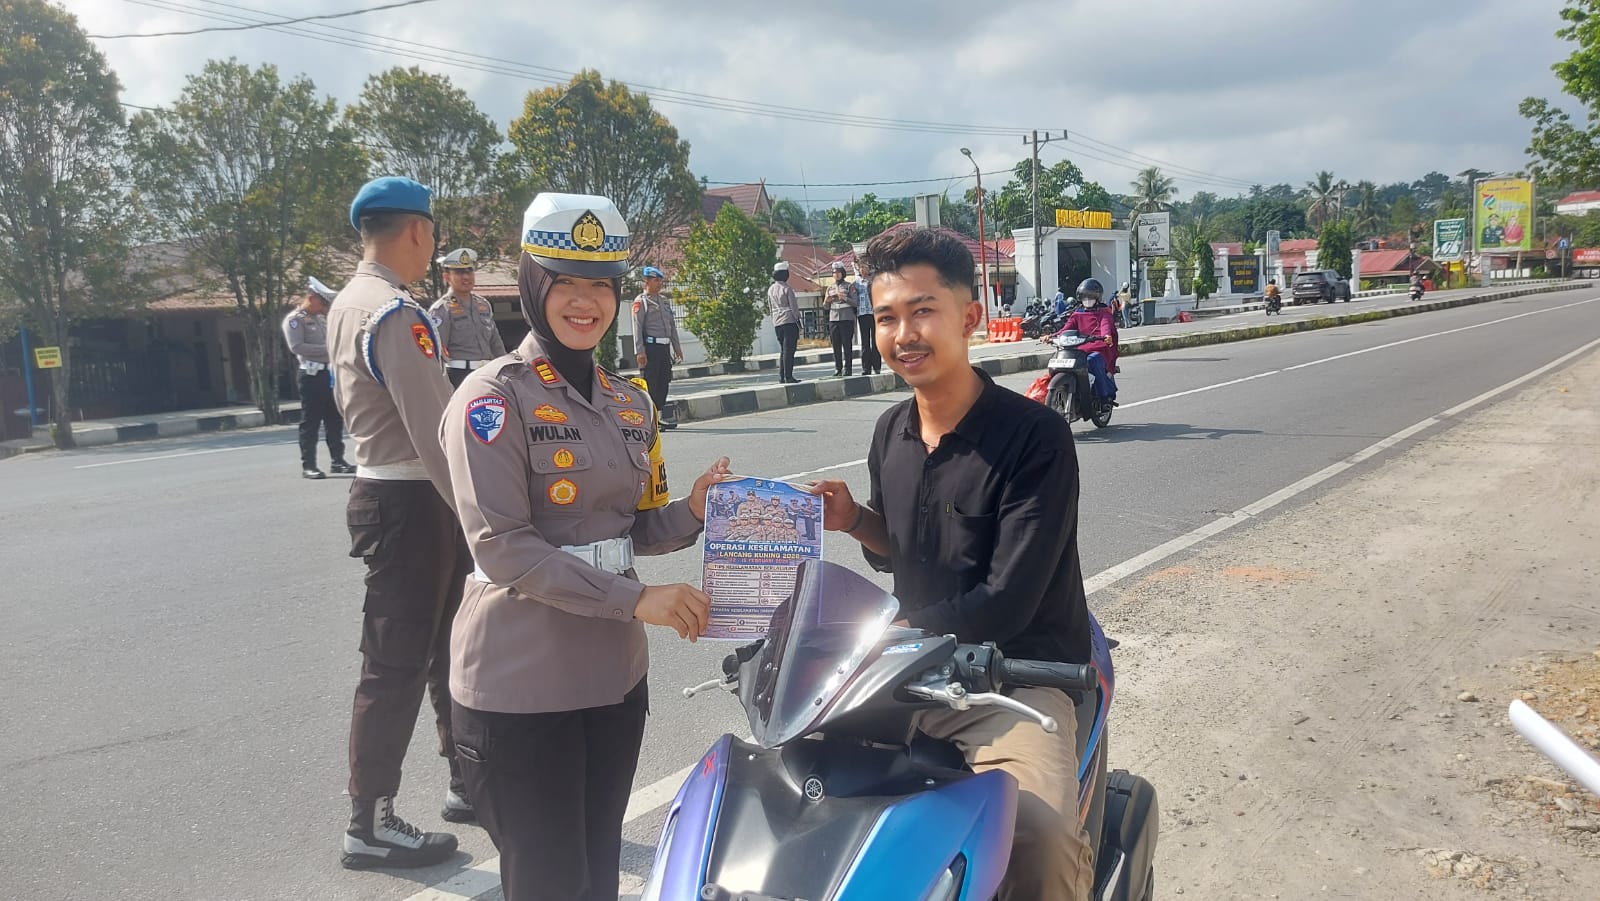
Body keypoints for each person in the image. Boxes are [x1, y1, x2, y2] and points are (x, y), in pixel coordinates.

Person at [442, 192, 730, 901]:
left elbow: (631, 527)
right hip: (522, 687)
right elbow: (504, 547)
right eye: (564, 281)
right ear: (533, 284)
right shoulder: (491, 399)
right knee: (550, 883)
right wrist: (638, 600)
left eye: (600, 284)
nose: (585, 301)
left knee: (599, 874)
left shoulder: (630, 403)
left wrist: (695, 509)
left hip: (612, 681)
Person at [811, 226, 1094, 900]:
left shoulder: (1036, 438)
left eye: (922, 311)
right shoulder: (891, 430)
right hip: (904, 676)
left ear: (970, 317)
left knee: (1040, 834)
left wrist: (889, 637)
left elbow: (1007, 600)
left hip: (1013, 678)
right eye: (886, 317)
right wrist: (854, 520)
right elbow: (902, 548)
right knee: (807, 794)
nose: (903, 333)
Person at [326, 176, 473, 869]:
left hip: (393, 493)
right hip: (413, 499)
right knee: (398, 662)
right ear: (416, 230)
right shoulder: (392, 311)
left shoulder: (347, 302)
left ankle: (466, 779)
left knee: (447, 645)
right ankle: (370, 820)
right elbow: (434, 429)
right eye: (432, 234)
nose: (432, 247)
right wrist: (478, 511)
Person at [282, 276, 353, 480]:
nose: (324, 308)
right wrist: (329, 350)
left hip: (329, 373)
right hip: (311, 375)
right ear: (311, 298)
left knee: (334, 418)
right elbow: (297, 347)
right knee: (311, 421)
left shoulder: (321, 319)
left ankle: (337, 460)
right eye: (322, 303)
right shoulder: (295, 320)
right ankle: (309, 465)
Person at [429, 247, 507, 389]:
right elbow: (437, 352)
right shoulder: (441, 309)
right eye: (459, 272)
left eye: (469, 271)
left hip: (486, 374)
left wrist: (505, 369)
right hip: (458, 377)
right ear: (446, 277)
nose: (466, 277)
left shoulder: (483, 305)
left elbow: (496, 344)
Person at [631, 265, 683, 429]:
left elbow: (672, 326)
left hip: (664, 348)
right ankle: (650, 421)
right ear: (646, 282)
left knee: (663, 381)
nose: (659, 283)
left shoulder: (664, 301)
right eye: (656, 280)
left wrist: (677, 348)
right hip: (650, 348)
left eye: (660, 280)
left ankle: (658, 417)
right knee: (650, 383)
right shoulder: (642, 302)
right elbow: (637, 327)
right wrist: (640, 351)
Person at [1054, 278, 1119, 400]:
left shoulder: (1104, 313)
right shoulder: (1077, 314)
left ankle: (1104, 396)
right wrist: (1052, 336)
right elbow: (1065, 329)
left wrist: (1106, 336)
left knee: (1092, 361)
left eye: (1090, 297)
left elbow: (1106, 326)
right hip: (1079, 349)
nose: (1087, 300)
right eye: (1084, 297)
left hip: (1099, 348)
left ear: (1097, 298)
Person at [768, 261, 802, 384]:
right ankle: (789, 376)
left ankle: (782, 376)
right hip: (789, 321)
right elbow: (794, 308)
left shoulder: (770, 289)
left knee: (783, 350)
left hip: (777, 322)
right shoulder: (787, 289)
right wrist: (798, 321)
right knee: (789, 350)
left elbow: (770, 308)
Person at [826, 262, 857, 376]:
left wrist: (844, 297)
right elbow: (825, 306)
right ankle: (838, 368)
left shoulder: (849, 286)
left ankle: (848, 368)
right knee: (836, 345)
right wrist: (827, 301)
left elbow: (855, 302)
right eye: (834, 273)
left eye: (839, 272)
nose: (836, 274)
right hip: (833, 319)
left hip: (846, 319)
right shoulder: (830, 288)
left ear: (843, 273)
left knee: (847, 344)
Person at [853, 264, 881, 375]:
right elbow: (853, 297)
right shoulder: (856, 283)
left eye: (865, 267)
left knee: (875, 340)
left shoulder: (874, 281)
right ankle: (866, 368)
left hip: (874, 313)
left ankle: (877, 366)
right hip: (862, 314)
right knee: (865, 342)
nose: (863, 269)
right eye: (861, 267)